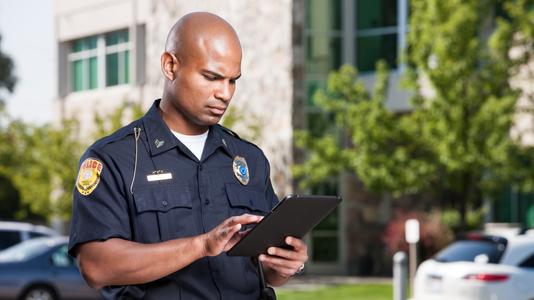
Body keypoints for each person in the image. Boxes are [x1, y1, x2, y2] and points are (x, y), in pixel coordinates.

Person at [68, 11, 308, 300]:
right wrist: (202, 246)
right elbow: (96, 266)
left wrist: (285, 265)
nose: (225, 93)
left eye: (233, 81)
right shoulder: (114, 159)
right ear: (170, 66)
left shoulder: (249, 159)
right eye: (211, 77)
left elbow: (262, 270)